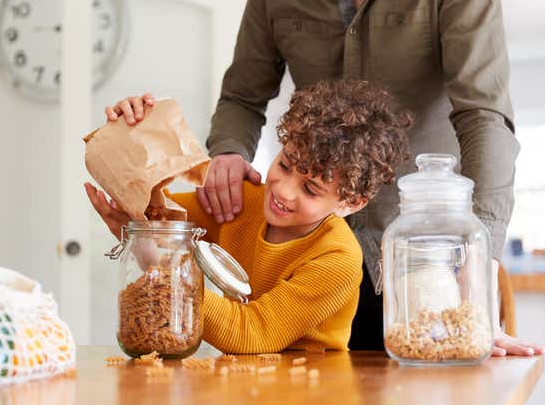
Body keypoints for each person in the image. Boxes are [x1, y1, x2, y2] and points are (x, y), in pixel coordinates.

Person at [197, 0, 545, 356]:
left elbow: (483, 115)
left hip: (426, 258)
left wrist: (477, 267)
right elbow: (242, 97)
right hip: (319, 254)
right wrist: (229, 152)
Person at [85, 80, 413, 353]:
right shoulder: (244, 202)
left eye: (310, 190)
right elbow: (158, 212)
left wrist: (163, 266)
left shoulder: (338, 258)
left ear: (351, 203)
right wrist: (133, 133)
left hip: (313, 389)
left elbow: (252, 333)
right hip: (247, 380)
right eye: (285, 164)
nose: (283, 190)